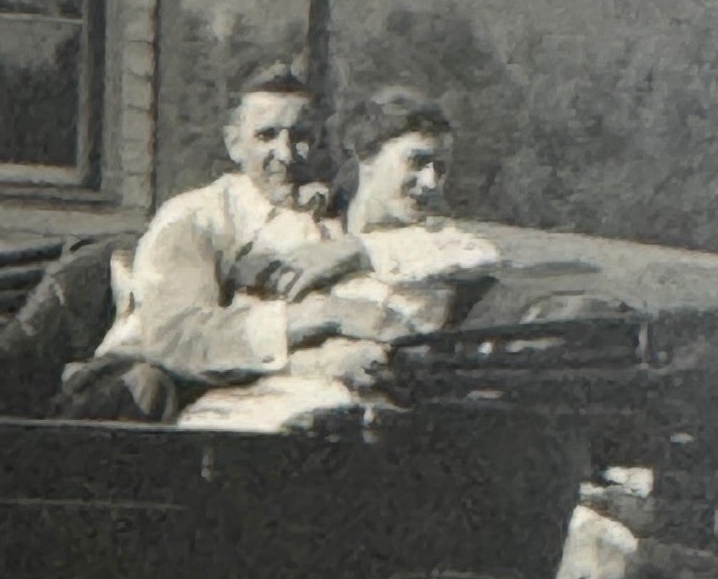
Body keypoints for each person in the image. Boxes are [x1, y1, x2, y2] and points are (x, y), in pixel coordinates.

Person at [57, 63, 396, 421]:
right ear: (234, 144)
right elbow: (179, 339)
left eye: (300, 137)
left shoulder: (326, 219)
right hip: (142, 386)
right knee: (149, 386)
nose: (285, 154)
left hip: (251, 392)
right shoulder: (196, 216)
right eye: (266, 136)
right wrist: (317, 317)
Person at [175, 88, 501, 433]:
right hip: (257, 406)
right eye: (417, 161)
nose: (431, 182)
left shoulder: (441, 243)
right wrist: (320, 359)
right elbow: (251, 333)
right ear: (366, 157)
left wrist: (358, 251)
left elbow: (481, 255)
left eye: (440, 168)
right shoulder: (303, 230)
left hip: (365, 419)